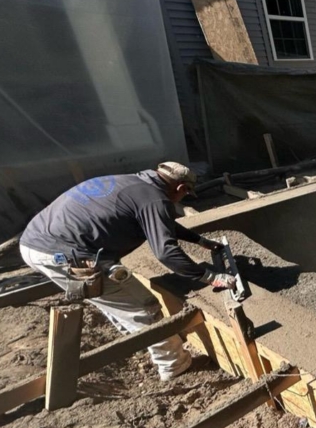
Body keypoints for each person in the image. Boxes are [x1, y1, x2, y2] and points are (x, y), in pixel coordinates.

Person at [19, 162, 236, 381]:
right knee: (144, 306)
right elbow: (166, 253)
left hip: (35, 242)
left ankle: (141, 338)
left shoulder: (129, 182)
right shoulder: (155, 198)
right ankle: (175, 367)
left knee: (116, 299)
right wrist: (210, 276)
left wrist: (199, 240)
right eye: (186, 194)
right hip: (62, 255)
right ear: (180, 189)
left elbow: (158, 221)